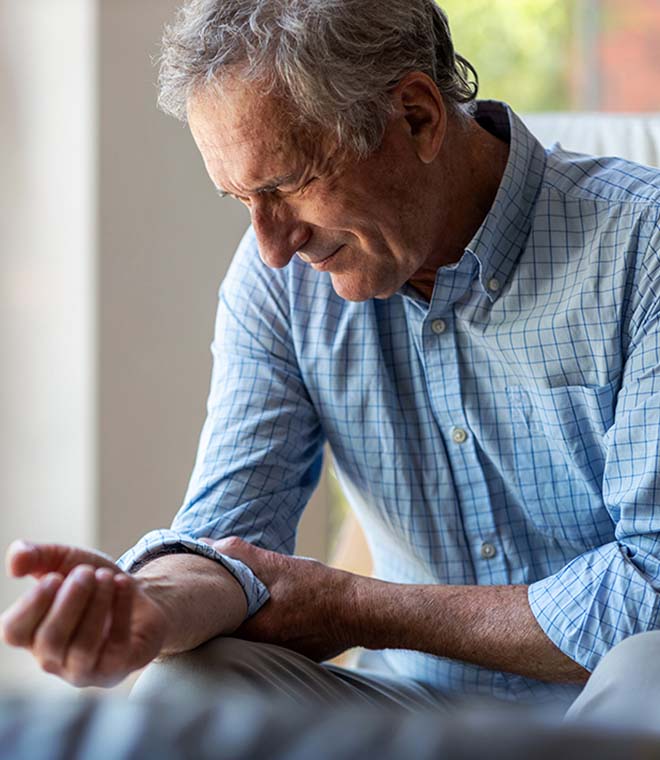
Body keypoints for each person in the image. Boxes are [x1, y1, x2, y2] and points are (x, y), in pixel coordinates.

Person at [2, 0, 660, 722]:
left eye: (286, 186)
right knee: (191, 680)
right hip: (407, 711)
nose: (273, 247)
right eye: (241, 200)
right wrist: (147, 602)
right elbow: (232, 534)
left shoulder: (641, 249)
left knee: (651, 664)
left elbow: (651, 588)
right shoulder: (279, 285)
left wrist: (354, 607)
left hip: (607, 710)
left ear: (416, 117)